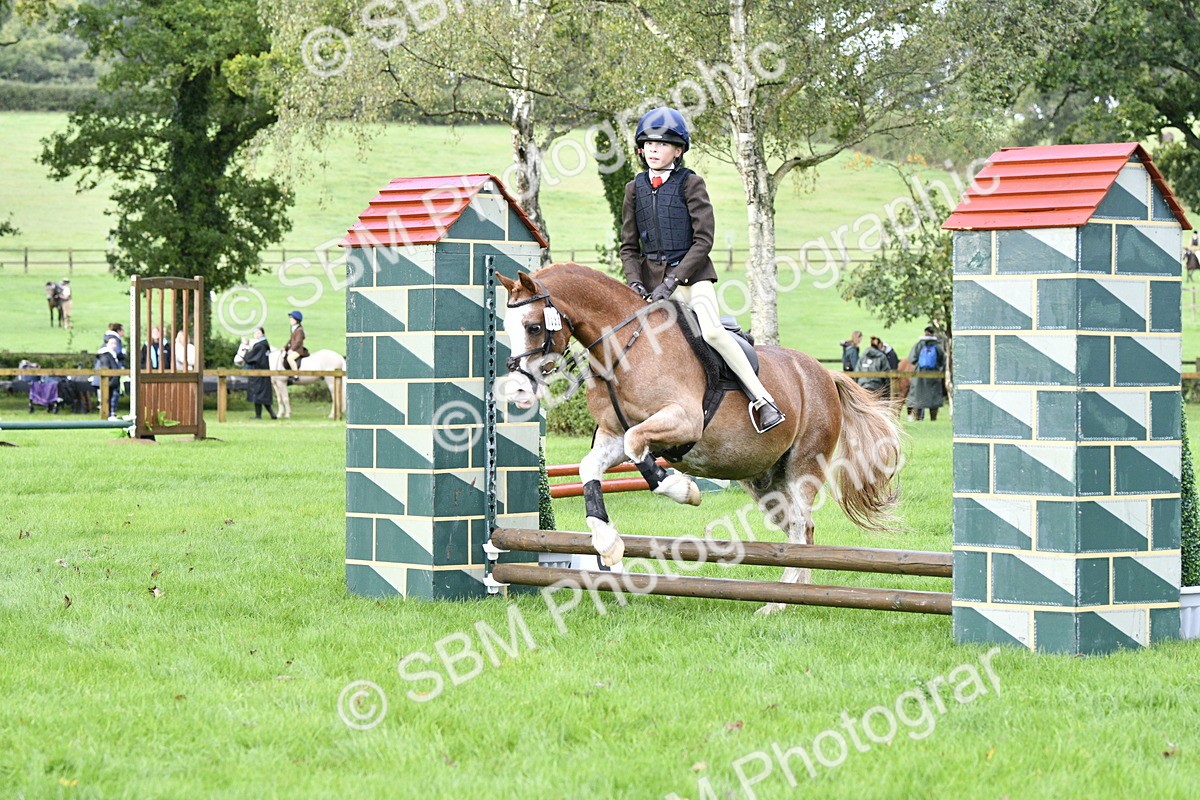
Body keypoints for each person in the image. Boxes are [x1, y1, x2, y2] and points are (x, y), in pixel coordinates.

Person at [619, 106, 784, 433]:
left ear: (678, 150)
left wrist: (673, 281)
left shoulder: (691, 183)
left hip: (692, 279)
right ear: (641, 148)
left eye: (663, 144)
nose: (654, 149)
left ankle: (762, 399)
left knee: (710, 331)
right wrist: (636, 283)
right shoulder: (634, 188)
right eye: (649, 143)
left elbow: (703, 239)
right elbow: (628, 246)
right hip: (651, 286)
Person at [906, 326, 946, 421]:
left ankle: (918, 419)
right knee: (933, 399)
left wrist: (918, 366)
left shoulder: (919, 345)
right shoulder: (937, 346)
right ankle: (933, 419)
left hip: (919, 376)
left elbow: (911, 358)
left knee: (918, 398)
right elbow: (942, 359)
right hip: (934, 376)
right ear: (933, 334)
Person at [242, 327, 277, 420]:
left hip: (258, 373)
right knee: (262, 395)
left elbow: (249, 358)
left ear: (262, 334)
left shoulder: (259, 346)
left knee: (258, 394)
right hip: (263, 373)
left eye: (258, 332)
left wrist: (246, 346)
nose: (256, 334)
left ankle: (259, 415)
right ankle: (272, 415)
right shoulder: (264, 345)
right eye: (255, 333)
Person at [91, 336, 122, 420]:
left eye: (115, 343)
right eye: (112, 343)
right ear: (106, 344)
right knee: (105, 399)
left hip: (110, 381)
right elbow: (106, 368)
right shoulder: (105, 355)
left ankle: (110, 414)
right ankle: (108, 415)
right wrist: (112, 380)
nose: (114, 345)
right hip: (106, 381)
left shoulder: (111, 354)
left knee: (109, 398)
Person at [284, 310, 308, 382]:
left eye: (292, 319)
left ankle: (296, 375)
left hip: (298, 350)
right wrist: (284, 347)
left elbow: (298, 342)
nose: (290, 320)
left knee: (290, 358)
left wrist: (292, 349)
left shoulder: (299, 330)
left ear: (296, 320)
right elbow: (290, 340)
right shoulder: (294, 329)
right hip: (294, 349)